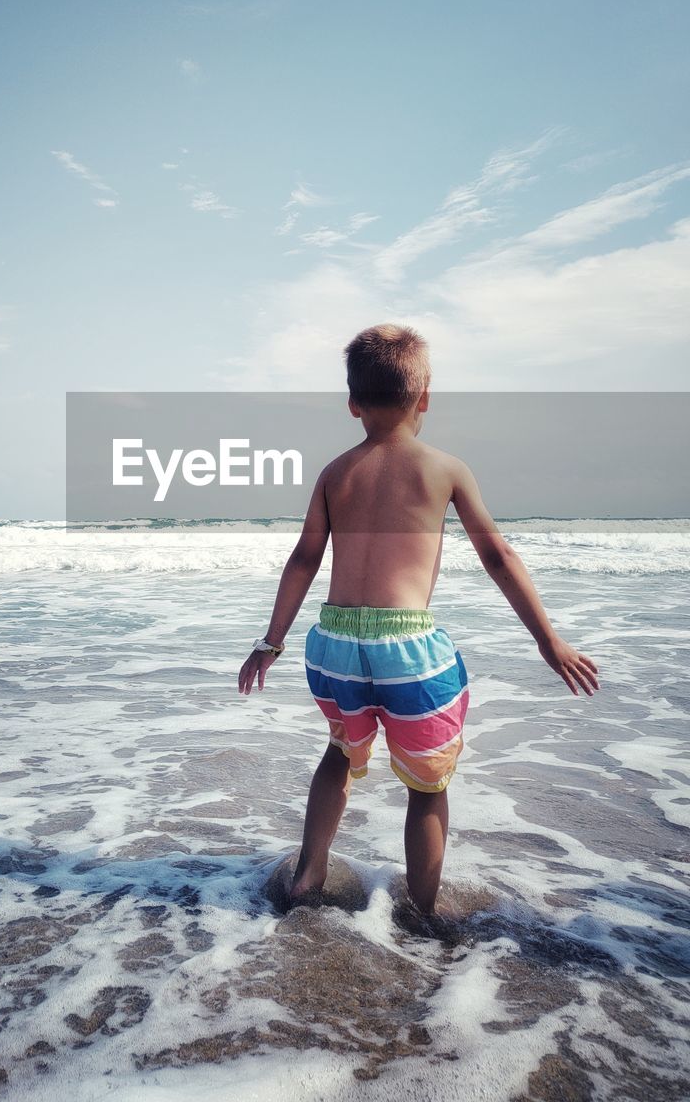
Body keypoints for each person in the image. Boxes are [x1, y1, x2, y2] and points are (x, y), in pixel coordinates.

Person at [237, 324, 599, 916]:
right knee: (427, 790)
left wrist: (270, 642)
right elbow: (497, 556)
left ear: (353, 404)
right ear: (424, 395)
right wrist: (548, 640)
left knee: (337, 756)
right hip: (408, 650)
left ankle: (309, 874)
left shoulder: (335, 473)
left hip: (332, 645)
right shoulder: (446, 468)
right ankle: (424, 914)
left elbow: (304, 557)